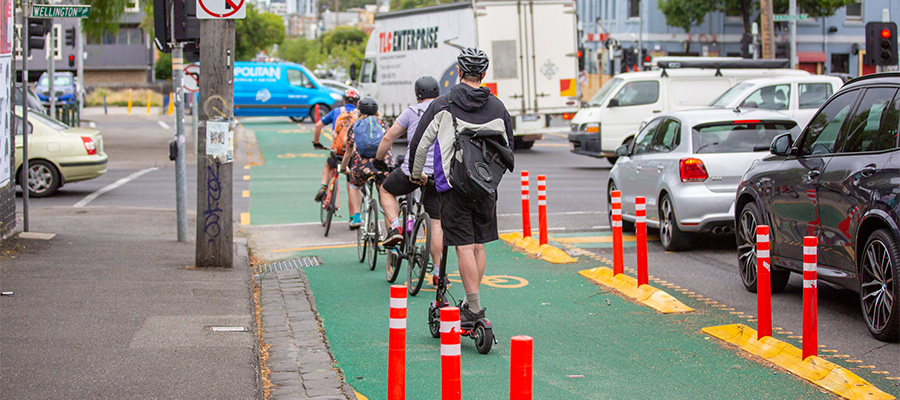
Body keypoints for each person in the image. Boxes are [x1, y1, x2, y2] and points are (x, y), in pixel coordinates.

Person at [408, 47, 514, 323]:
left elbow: (420, 145)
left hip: (453, 186)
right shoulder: (498, 107)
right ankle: (469, 303)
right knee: (479, 246)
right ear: (484, 74)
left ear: (458, 71)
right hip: (486, 186)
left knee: (464, 247)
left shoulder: (443, 104)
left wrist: (416, 174)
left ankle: (475, 309)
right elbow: (508, 147)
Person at [375, 76, 442, 257]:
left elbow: (389, 137)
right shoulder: (446, 110)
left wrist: (379, 159)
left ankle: (396, 226)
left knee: (386, 190)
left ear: (417, 94)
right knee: (436, 224)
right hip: (438, 174)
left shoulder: (411, 111)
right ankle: (437, 274)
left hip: (414, 171)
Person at [340, 97, 394, 234]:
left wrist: (343, 167)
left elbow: (349, 151)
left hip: (362, 165)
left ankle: (357, 215)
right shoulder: (383, 125)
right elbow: (389, 143)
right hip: (382, 164)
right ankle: (391, 235)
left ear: (359, 112)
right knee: (385, 194)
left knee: (354, 185)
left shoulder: (354, 126)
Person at [312, 89, 361, 228]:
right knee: (352, 186)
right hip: (351, 154)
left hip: (337, 152)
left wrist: (316, 143)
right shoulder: (359, 115)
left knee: (328, 166)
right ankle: (353, 217)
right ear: (357, 103)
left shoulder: (336, 112)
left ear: (344, 101)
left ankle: (323, 186)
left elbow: (317, 126)